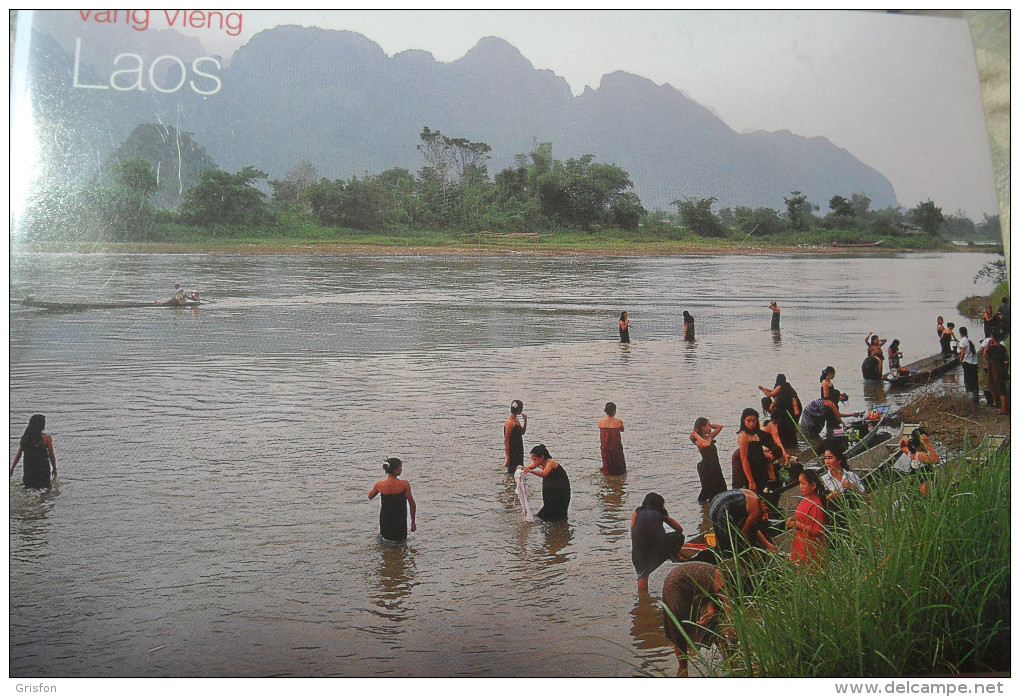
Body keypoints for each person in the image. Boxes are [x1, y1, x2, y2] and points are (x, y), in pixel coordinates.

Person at [661, 562, 730, 677]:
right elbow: (728, 606)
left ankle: (729, 660)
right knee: (678, 629)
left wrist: (710, 611)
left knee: (713, 624)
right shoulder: (721, 578)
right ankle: (683, 670)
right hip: (674, 586)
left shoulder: (713, 578)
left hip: (691, 587)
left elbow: (709, 594)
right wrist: (732, 626)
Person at [630, 492, 685, 593]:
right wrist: (665, 517)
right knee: (679, 537)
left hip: (638, 548)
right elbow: (679, 529)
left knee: (642, 574)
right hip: (657, 545)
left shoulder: (637, 512)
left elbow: (632, 534)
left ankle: (643, 600)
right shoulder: (660, 513)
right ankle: (672, 554)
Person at [708, 488, 777, 555]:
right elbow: (744, 532)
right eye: (766, 511)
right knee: (726, 542)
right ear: (763, 503)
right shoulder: (756, 511)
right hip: (719, 510)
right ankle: (726, 557)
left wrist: (768, 545)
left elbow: (753, 527)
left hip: (716, 501)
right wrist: (750, 549)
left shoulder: (753, 495)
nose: (766, 514)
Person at [368, 457, 417, 543]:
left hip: (385, 521)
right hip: (400, 522)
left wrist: (377, 488)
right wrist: (413, 523)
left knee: (385, 543)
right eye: (400, 468)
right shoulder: (404, 484)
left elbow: (370, 496)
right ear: (395, 470)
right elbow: (412, 504)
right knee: (401, 544)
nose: (401, 470)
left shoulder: (379, 484)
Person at [786, 469, 828, 565]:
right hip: (800, 543)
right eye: (799, 483)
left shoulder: (816, 505)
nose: (800, 487)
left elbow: (817, 530)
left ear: (813, 486)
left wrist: (797, 524)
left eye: (803, 484)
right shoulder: (805, 499)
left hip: (811, 546)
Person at [523, 444, 570, 521]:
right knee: (546, 511)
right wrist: (522, 468)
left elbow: (544, 474)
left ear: (541, 457)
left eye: (535, 459)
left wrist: (531, 471)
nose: (534, 461)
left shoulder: (550, 462)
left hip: (560, 491)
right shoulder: (540, 463)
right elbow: (531, 466)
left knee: (557, 513)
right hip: (552, 490)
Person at [10, 414, 57, 489]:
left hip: (29, 470)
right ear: (42, 425)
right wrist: (54, 468)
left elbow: (18, 454)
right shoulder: (46, 438)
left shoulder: (25, 438)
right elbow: (51, 455)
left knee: (28, 489)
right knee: (45, 491)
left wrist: (12, 468)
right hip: (43, 470)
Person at [732, 408, 773, 494]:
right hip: (751, 469)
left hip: (759, 466)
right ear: (743, 421)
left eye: (754, 421)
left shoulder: (755, 432)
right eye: (748, 421)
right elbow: (744, 459)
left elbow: (756, 449)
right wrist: (751, 481)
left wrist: (764, 453)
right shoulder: (743, 435)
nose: (751, 424)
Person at [758, 374, 801, 452]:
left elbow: (770, 394)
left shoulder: (781, 386)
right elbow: (773, 391)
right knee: (791, 427)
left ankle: (786, 445)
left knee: (786, 427)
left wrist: (763, 390)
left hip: (787, 412)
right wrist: (764, 389)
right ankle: (793, 446)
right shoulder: (788, 388)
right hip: (791, 411)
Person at [691, 418, 726, 502]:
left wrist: (709, 425)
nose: (710, 428)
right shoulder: (697, 440)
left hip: (715, 466)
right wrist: (695, 434)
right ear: (703, 427)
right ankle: (703, 507)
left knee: (721, 488)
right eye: (708, 425)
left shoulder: (709, 437)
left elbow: (720, 427)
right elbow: (705, 444)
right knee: (707, 490)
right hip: (706, 467)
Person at [981, 334, 1009, 414]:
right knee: (1002, 388)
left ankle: (1002, 408)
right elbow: (1005, 358)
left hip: (995, 370)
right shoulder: (1002, 347)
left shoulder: (992, 348)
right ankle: (1003, 407)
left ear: (993, 338)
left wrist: (988, 345)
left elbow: (984, 353)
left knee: (997, 388)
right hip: (1002, 370)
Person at [598, 402, 626, 475]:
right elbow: (622, 429)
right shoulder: (618, 422)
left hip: (605, 449)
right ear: (614, 411)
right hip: (616, 449)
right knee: (619, 470)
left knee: (607, 469)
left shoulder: (600, 421)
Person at [503, 400, 527, 474]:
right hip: (512, 451)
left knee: (520, 470)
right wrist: (508, 457)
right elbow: (506, 442)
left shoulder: (516, 419)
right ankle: (511, 484)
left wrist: (525, 421)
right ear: (519, 410)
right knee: (512, 471)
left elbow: (522, 432)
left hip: (519, 448)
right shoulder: (509, 423)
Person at [958, 327, 980, 402]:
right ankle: (976, 394)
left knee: (967, 379)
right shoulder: (968, 340)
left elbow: (963, 352)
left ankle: (969, 395)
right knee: (974, 378)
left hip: (967, 362)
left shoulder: (962, 341)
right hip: (974, 362)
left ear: (960, 333)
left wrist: (960, 360)